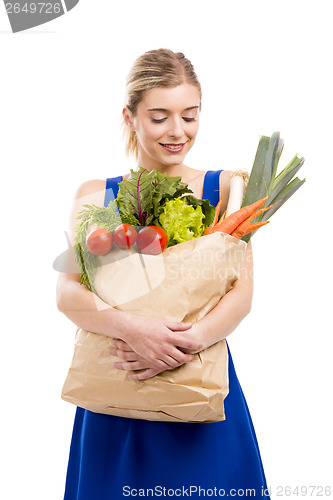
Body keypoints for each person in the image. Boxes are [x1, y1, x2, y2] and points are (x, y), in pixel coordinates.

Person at [57, 48, 270, 499]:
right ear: (130, 117)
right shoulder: (96, 195)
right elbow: (68, 292)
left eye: (190, 116)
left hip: (198, 386)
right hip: (119, 391)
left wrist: (181, 345)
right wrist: (136, 331)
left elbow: (242, 293)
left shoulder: (229, 188)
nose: (178, 132)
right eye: (160, 117)